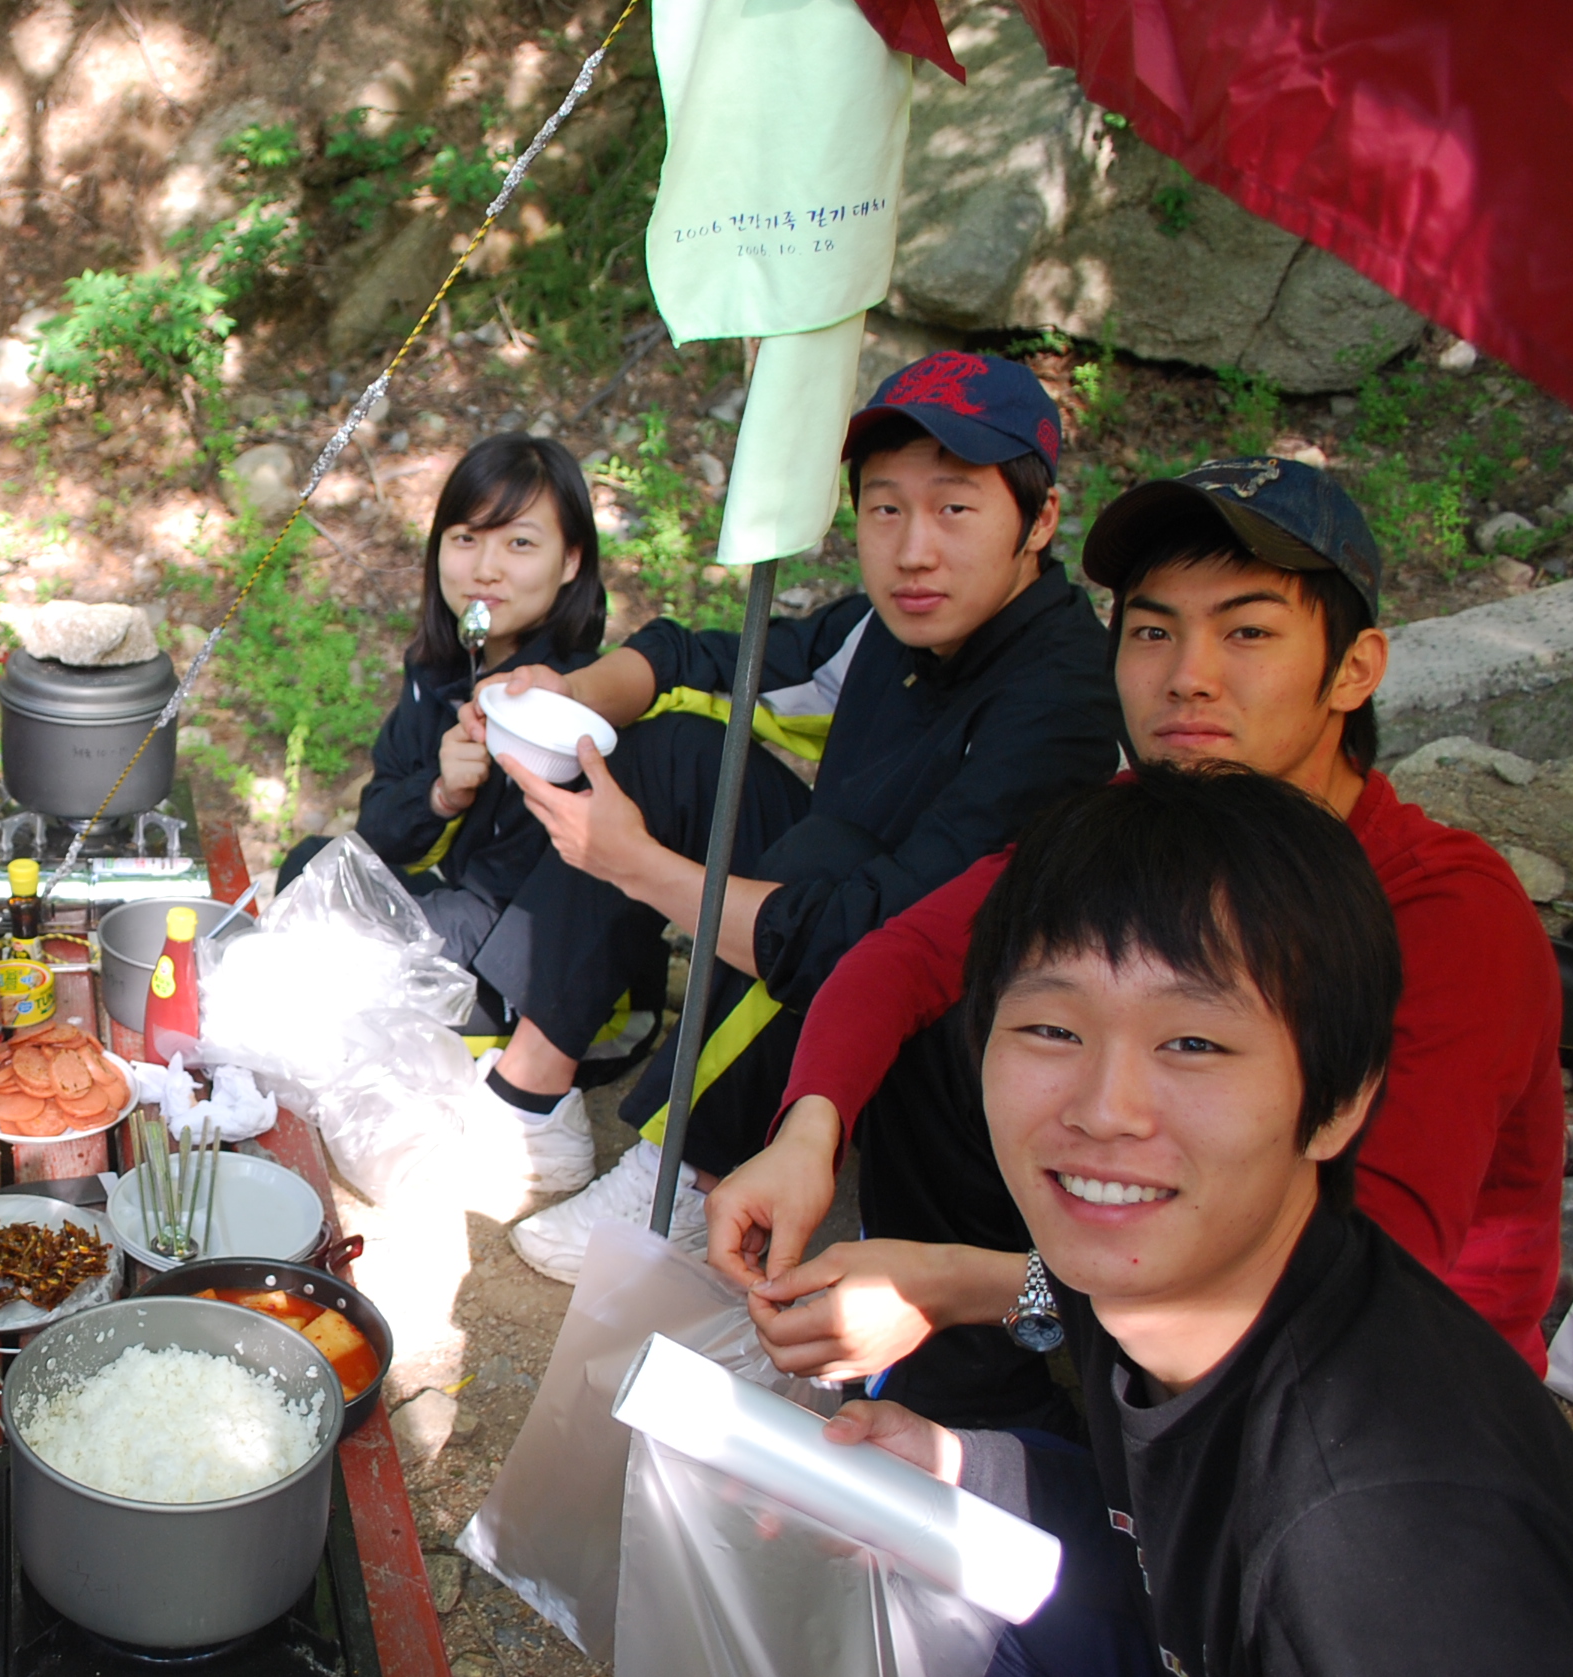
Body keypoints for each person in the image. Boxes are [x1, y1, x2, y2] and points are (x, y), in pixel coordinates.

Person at [780, 764, 1573, 1677]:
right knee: (983, 1565)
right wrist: (958, 1468)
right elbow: (1154, 1520)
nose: (1105, 1108)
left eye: (1193, 1042)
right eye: (1051, 1028)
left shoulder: (1383, 1553)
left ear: (1339, 1100)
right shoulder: (1162, 1290)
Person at [710, 458, 1562, 1432]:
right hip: (1166, 1286)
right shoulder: (1140, 830)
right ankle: (973, 1405)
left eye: (1247, 632)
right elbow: (901, 959)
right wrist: (807, 1134)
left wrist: (961, 1285)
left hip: (1379, 1404)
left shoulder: (1446, 910)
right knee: (979, 1019)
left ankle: (1021, 1425)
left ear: (1355, 669)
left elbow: (1358, 1280)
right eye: (1153, 632)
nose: (1187, 677)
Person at [468, 351, 1124, 1255]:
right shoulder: (886, 629)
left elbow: (876, 936)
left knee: (825, 863)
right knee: (676, 753)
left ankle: (690, 1181)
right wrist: (571, 695)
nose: (914, 549)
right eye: (885, 508)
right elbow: (703, 666)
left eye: (955, 509)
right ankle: (531, 1100)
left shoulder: (1063, 705)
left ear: (1039, 520)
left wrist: (636, 866)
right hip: (853, 928)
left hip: (969, 1027)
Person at [273, 433, 638, 1038]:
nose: (485, 570)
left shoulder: (570, 705)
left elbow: (513, 903)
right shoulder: (440, 674)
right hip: (455, 913)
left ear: (571, 561)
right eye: (466, 538)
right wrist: (440, 794)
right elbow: (377, 831)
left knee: (333, 962)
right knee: (310, 867)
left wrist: (378, 934)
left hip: (531, 965)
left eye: (520, 543)